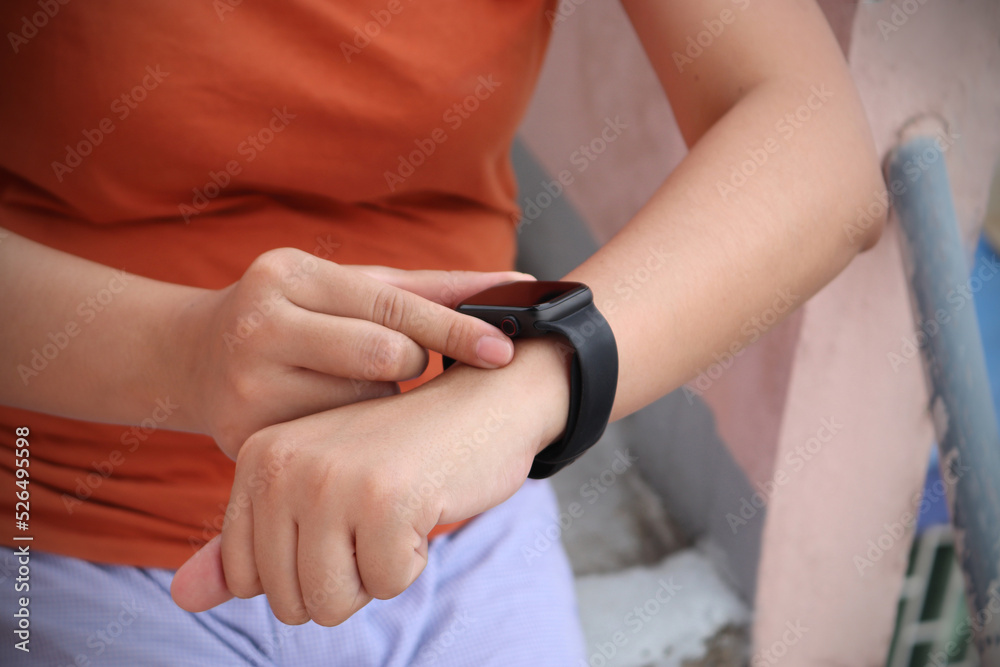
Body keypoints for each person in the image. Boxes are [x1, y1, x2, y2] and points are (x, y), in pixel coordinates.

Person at [0, 0, 885, 664]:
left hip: (464, 515)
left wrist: (528, 390)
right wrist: (182, 349)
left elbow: (816, 143)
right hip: (68, 519)